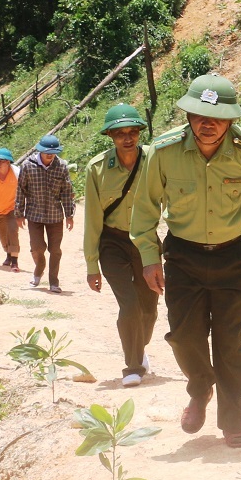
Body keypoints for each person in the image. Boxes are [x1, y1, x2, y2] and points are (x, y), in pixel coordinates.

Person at [130, 73, 241, 448]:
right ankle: (200, 387)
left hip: (236, 255)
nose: (207, 125)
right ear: (188, 117)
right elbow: (145, 210)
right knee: (184, 335)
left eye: (217, 118)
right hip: (184, 255)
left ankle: (233, 420)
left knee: (230, 340)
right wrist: (149, 258)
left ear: (231, 119)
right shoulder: (163, 153)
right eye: (198, 116)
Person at [84, 105, 157, 387]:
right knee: (129, 305)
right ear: (111, 136)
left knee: (149, 308)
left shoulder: (154, 159)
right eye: (120, 133)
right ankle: (133, 366)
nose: (128, 138)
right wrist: (92, 265)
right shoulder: (97, 168)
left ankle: (139, 347)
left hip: (146, 241)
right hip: (112, 242)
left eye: (133, 132)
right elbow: (92, 218)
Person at [16, 133, 75, 293]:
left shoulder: (61, 166)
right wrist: (19, 213)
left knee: (55, 250)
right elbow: (21, 189)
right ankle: (39, 269)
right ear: (40, 150)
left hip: (55, 216)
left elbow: (66, 192)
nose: (49, 154)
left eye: (53, 151)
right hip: (34, 215)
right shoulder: (28, 166)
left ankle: (53, 282)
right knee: (37, 248)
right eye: (46, 151)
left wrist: (69, 215)